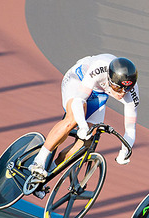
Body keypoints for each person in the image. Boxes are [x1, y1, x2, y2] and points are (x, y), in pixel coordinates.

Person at [28, 53, 140, 197]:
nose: (122, 94)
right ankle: (38, 161)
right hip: (78, 81)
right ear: (109, 79)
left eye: (127, 89)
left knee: (86, 142)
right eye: (118, 89)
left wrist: (124, 152)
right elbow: (79, 100)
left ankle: (47, 173)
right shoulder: (99, 68)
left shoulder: (132, 92)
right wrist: (82, 126)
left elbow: (130, 128)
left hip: (99, 95)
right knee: (73, 119)